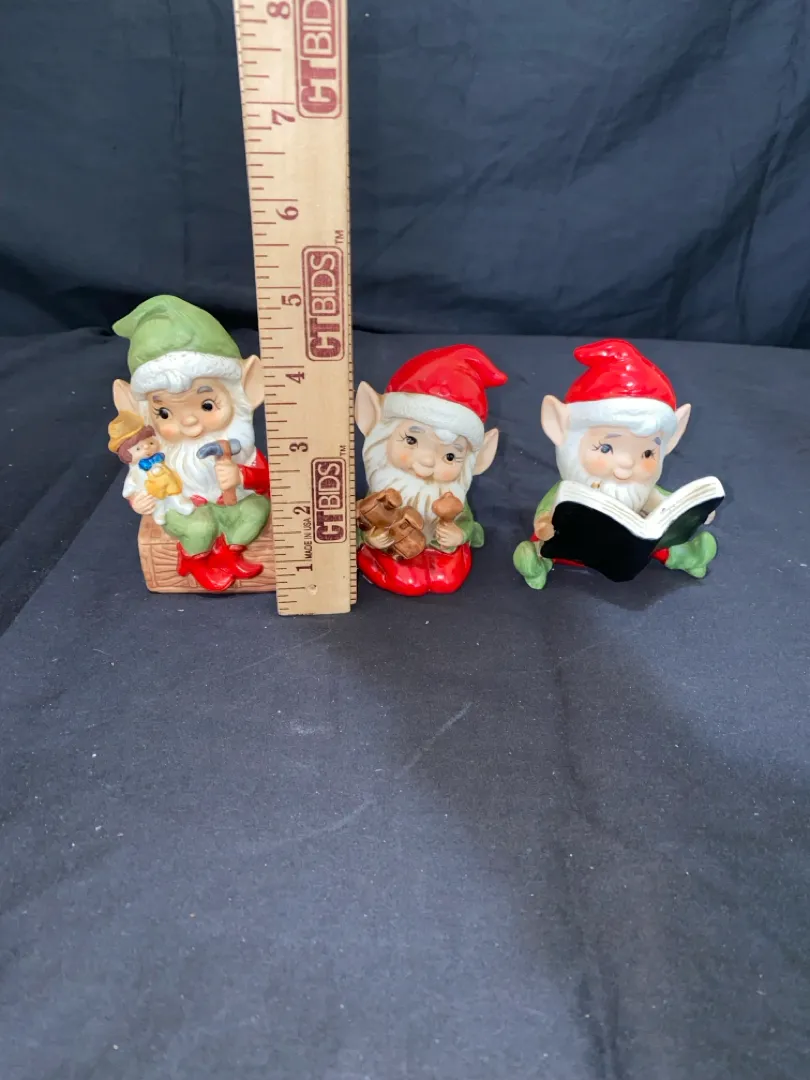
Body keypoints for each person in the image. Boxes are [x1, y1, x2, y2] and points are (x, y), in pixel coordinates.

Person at [514, 338, 718, 589]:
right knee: (547, 544)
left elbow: (666, 505)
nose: (627, 465)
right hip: (575, 545)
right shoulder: (568, 493)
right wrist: (545, 524)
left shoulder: (642, 492)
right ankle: (536, 563)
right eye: (606, 448)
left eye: (647, 453)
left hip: (625, 549)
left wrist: (695, 511)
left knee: (656, 542)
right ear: (561, 429)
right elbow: (547, 511)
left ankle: (689, 556)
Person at [111, 295, 271, 592]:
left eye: (207, 405)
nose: (190, 423)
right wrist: (138, 501)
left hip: (229, 503)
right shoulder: (155, 456)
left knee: (257, 511)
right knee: (200, 526)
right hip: (183, 508)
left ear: (243, 392)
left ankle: (228, 554)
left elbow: (266, 480)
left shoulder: (239, 446)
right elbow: (136, 487)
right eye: (165, 413)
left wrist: (241, 476)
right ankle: (195, 562)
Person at [355, 345, 507, 595]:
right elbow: (365, 520)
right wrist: (373, 537)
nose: (427, 462)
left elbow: (465, 521)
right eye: (411, 440)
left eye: (449, 456)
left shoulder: (451, 496)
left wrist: (458, 535)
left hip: (440, 551)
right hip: (391, 551)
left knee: (447, 578)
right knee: (406, 580)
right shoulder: (382, 491)